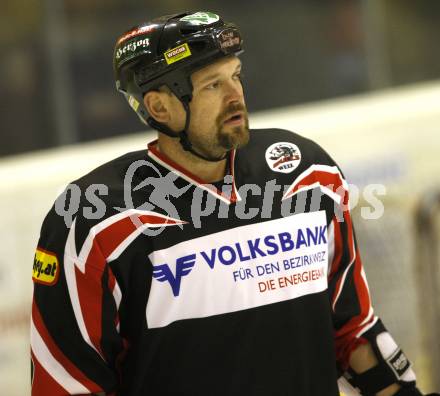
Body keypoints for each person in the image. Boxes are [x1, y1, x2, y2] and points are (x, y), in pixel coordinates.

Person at [30, 11, 438, 396]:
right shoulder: (94, 217)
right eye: (212, 85)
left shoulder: (306, 173)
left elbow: (353, 331)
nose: (236, 96)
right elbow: (68, 383)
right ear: (159, 107)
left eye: (236, 76)